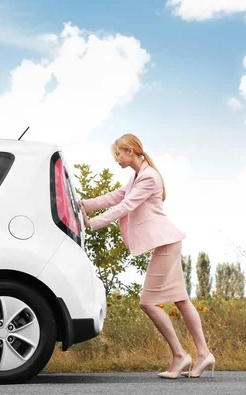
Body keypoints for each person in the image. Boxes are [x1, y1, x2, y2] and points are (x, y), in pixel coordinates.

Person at [78, 133, 215, 379]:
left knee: (148, 302)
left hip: (165, 244)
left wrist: (94, 222)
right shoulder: (137, 176)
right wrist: (83, 204)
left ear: (131, 150)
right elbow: (115, 197)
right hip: (167, 243)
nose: (117, 159)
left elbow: (125, 206)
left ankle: (180, 355)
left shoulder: (149, 177)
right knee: (182, 300)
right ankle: (203, 354)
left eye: (118, 154)